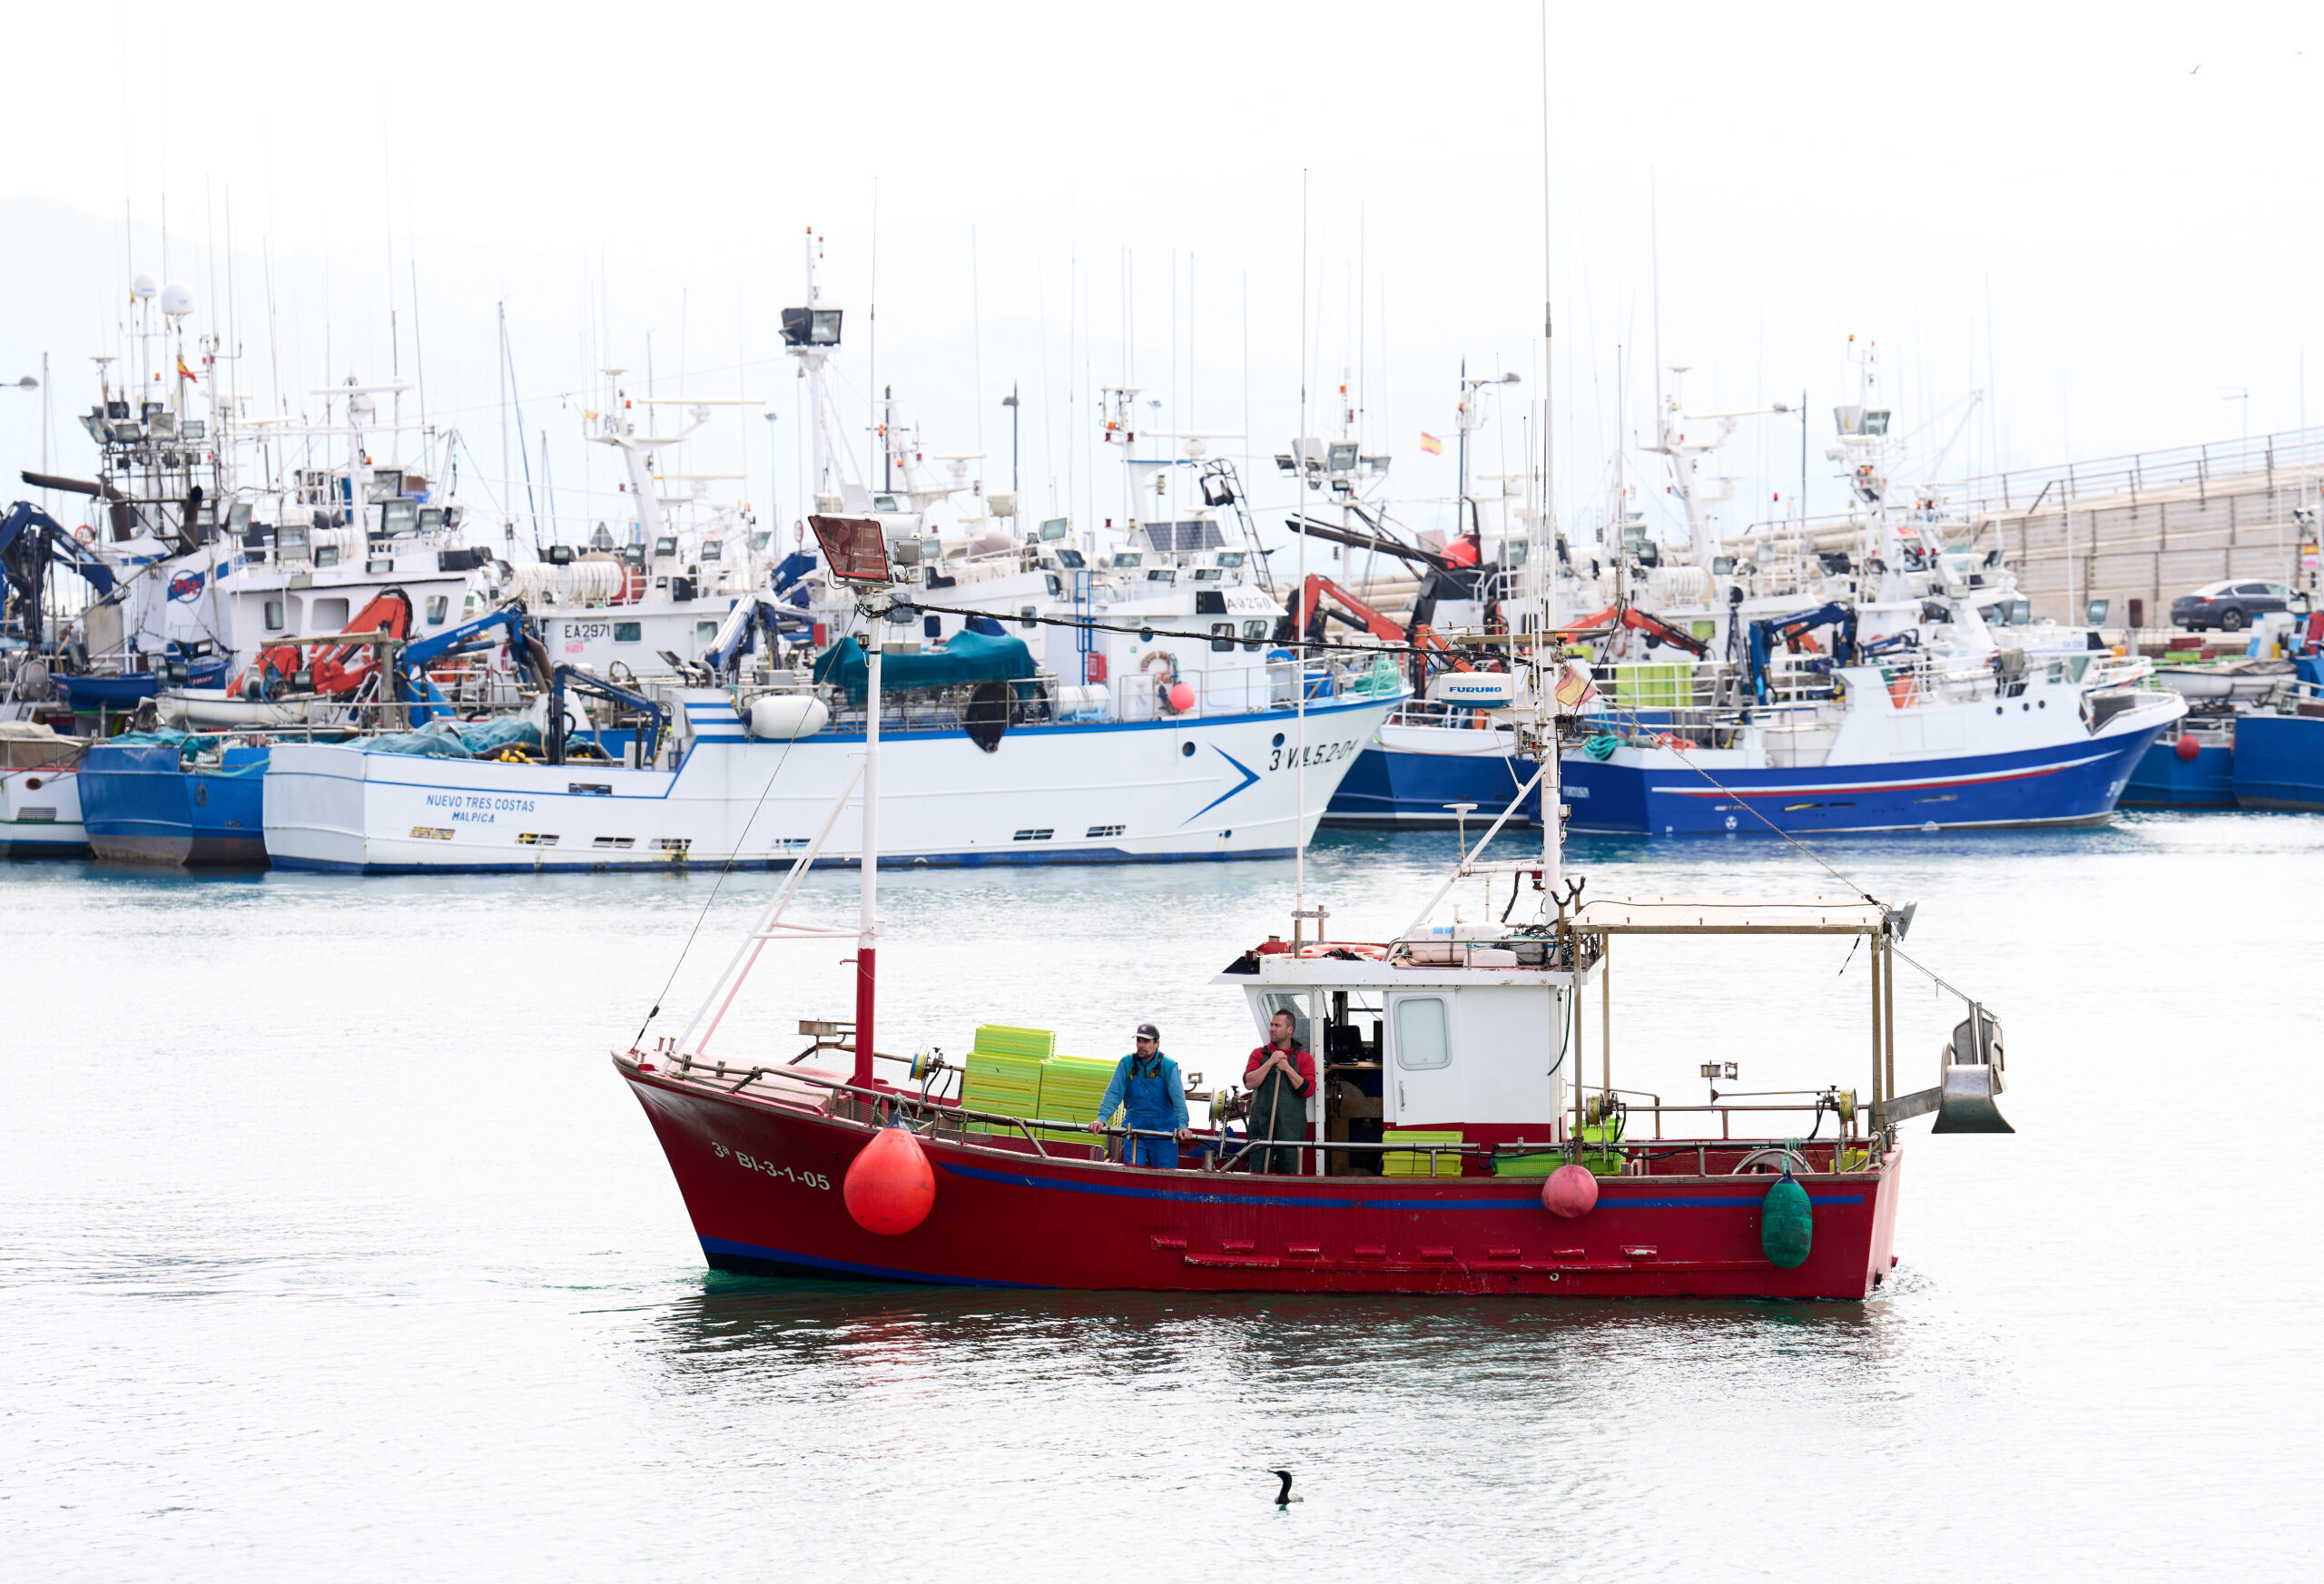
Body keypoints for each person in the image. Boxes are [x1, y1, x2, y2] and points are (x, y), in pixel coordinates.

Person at [1089, 1023, 1188, 1168]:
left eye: (1146, 1041)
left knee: (1164, 1175)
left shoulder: (1168, 1065)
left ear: (1157, 1043)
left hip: (1164, 1130)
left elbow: (1179, 1099)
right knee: (1133, 1171)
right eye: (1139, 1040)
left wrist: (1183, 1126)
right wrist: (1101, 1119)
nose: (1141, 1045)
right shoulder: (1127, 1063)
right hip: (1134, 1128)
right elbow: (1113, 1094)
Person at [1243, 1009, 1316, 1175]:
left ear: (1290, 1030)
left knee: (1290, 1174)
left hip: (1290, 1130)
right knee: (1258, 1174)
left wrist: (1287, 1068)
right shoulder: (1258, 1054)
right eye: (1271, 1025)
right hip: (1261, 1128)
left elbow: (1308, 1090)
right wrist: (1270, 1062)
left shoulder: (1304, 1059)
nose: (1272, 1029)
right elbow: (1249, 1082)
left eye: (1277, 1025)